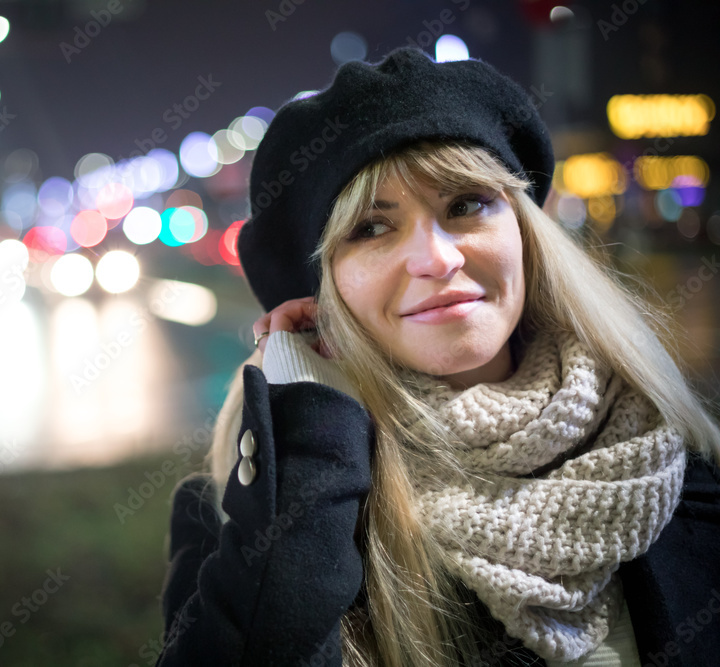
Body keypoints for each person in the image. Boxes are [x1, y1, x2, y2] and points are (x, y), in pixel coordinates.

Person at [154, 47, 720, 667]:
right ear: (322, 291)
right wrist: (308, 428)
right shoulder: (240, 524)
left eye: (466, 205)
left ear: (525, 233)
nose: (438, 259)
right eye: (370, 227)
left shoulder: (678, 456)